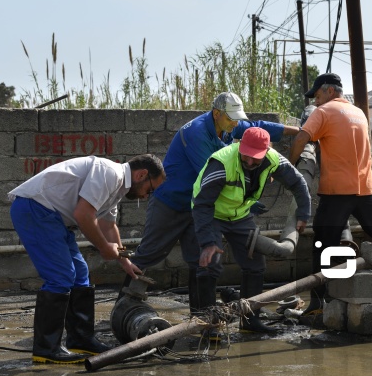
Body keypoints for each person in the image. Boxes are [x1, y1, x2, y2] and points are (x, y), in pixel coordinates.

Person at [122, 92, 299, 322]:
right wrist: (249, 202)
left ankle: (201, 320)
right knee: (147, 255)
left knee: (200, 261)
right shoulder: (196, 133)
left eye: (237, 119)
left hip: (198, 208)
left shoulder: (228, 125)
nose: (236, 123)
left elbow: (254, 126)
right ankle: (122, 307)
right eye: (232, 118)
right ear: (217, 114)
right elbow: (213, 177)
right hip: (171, 203)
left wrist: (295, 131)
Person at [9, 154, 165, 364]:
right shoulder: (109, 173)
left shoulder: (118, 188)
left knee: (80, 274)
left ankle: (81, 339)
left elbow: (108, 226)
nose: (147, 196)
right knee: (61, 276)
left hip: (54, 218)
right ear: (141, 174)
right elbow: (83, 214)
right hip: (35, 208)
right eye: (150, 189)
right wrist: (103, 248)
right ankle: (46, 349)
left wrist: (124, 261)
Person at [289, 73, 372, 315]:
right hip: (366, 190)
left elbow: (302, 138)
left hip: (337, 192)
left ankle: (318, 304)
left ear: (329, 91)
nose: (315, 102)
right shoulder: (359, 113)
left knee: (322, 247)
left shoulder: (324, 112)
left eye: (317, 96)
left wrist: (289, 167)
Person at [192, 127, 310, 333]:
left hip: (239, 216)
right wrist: (207, 242)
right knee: (209, 264)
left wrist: (303, 214)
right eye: (245, 156)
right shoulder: (222, 163)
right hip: (212, 214)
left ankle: (250, 321)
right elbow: (202, 205)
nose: (249, 162)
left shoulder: (274, 160)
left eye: (255, 159)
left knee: (255, 264)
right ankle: (207, 324)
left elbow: (298, 183)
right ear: (239, 146)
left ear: (266, 152)